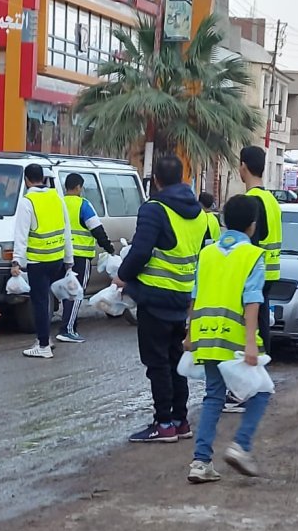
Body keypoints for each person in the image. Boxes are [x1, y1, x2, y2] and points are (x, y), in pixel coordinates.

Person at [114, 154, 208, 443]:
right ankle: (180, 421)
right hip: (182, 297)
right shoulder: (200, 214)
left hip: (155, 297)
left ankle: (163, 423)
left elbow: (140, 252)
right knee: (174, 359)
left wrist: (122, 276)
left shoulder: (154, 209)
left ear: (155, 180)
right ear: (182, 178)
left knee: (157, 363)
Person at [184, 194, 272, 483]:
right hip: (235, 339)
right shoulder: (252, 256)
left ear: (223, 221)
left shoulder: (207, 252)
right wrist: (250, 344)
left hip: (206, 336)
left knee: (213, 397)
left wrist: (189, 334)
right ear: (252, 225)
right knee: (261, 391)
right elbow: (252, 303)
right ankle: (240, 446)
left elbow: (195, 297)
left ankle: (200, 462)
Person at [11, 163, 73, 359]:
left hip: (38, 261)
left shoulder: (27, 201)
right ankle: (44, 339)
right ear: (44, 178)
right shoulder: (57, 198)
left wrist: (16, 262)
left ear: (27, 180)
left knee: (39, 302)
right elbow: (67, 230)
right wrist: (69, 259)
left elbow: (21, 235)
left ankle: (44, 345)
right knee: (46, 300)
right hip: (57, 259)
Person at [58, 173, 116, 344]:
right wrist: (109, 247)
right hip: (80, 257)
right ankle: (67, 330)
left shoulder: (59, 203)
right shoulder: (83, 204)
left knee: (67, 292)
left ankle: (70, 325)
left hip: (59, 255)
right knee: (76, 293)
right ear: (78, 187)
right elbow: (96, 229)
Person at [239, 145, 281, 355]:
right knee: (262, 321)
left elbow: (250, 243)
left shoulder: (252, 200)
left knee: (250, 324)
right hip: (270, 272)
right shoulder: (271, 200)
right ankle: (262, 366)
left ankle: (252, 368)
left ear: (243, 166)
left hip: (255, 274)